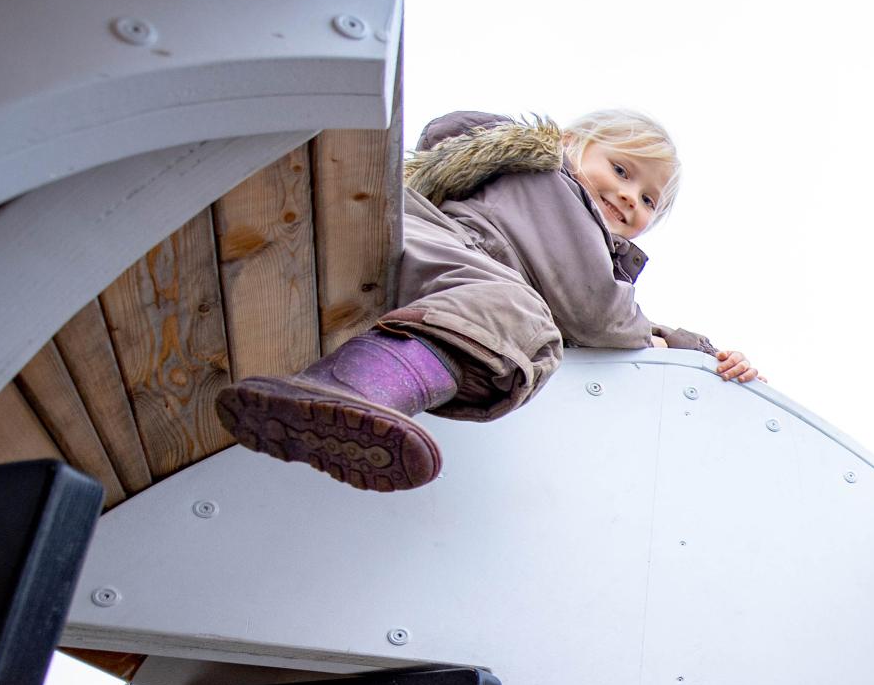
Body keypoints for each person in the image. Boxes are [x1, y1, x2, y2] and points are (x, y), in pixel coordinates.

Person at [215, 107, 761, 491]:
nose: (627, 195)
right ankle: (352, 393)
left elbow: (595, 312)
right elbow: (597, 312)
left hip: (438, 278)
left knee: (520, 326)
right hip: (424, 247)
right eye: (620, 169)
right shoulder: (550, 185)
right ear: (571, 145)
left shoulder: (569, 239)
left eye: (648, 200)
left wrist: (697, 353)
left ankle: (339, 401)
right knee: (522, 320)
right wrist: (675, 342)